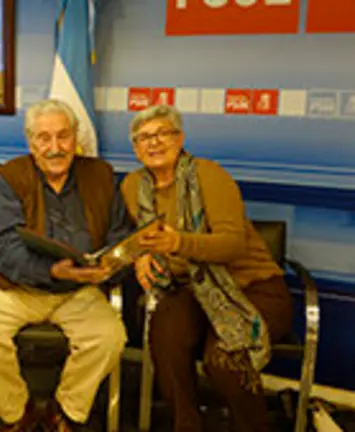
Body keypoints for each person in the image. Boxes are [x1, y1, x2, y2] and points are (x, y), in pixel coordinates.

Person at [0, 99, 132, 432]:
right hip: (16, 287)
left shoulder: (101, 175)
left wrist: (111, 266)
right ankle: (17, 413)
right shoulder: (9, 178)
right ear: (31, 143)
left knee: (109, 337)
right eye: (44, 138)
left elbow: (119, 235)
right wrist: (52, 270)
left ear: (76, 138)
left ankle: (64, 411)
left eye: (63, 136)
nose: (55, 147)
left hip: (79, 289)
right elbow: (5, 250)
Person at [120, 105, 293, 432]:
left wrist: (178, 244)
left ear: (180, 138)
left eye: (162, 134)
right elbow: (129, 237)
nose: (153, 143)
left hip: (252, 286)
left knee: (225, 359)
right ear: (135, 148)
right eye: (143, 138)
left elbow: (232, 245)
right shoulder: (131, 187)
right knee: (165, 341)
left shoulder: (208, 175)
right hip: (187, 288)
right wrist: (138, 256)